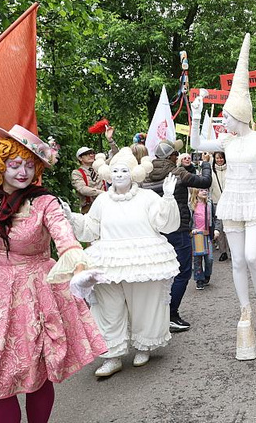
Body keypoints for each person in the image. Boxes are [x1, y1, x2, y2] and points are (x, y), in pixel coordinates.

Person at [0, 125, 107, 422]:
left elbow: (65, 238)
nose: (23, 172)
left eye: (29, 165)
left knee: (37, 371)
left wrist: (78, 267)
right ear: (0, 165)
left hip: (36, 293)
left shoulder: (44, 202)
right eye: (15, 164)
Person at [190, 34, 256, 361]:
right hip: (233, 203)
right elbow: (196, 144)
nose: (223, 120)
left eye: (226, 116)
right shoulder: (227, 143)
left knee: (251, 257)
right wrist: (195, 114)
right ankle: (245, 311)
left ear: (240, 115)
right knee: (236, 261)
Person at [52, 147, 180, 377]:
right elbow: (91, 228)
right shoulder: (102, 200)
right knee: (106, 307)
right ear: (109, 174)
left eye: (124, 170)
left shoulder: (148, 197)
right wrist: (71, 217)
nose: (120, 174)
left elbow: (166, 224)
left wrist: (168, 198)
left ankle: (144, 346)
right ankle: (113, 355)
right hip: (108, 260)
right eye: (116, 170)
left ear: (134, 174)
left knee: (144, 303)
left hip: (143, 260)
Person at [142, 138, 211, 333]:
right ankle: (171, 315)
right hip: (178, 229)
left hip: (155, 231)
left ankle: (156, 315)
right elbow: (205, 182)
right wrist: (205, 163)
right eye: (175, 154)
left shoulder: (145, 176)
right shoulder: (176, 172)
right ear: (171, 156)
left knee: (159, 275)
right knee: (182, 272)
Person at [71, 125, 118, 213]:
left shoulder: (101, 166)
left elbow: (116, 155)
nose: (91, 155)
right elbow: (82, 189)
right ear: (80, 158)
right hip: (89, 210)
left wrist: (110, 139)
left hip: (106, 207)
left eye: (92, 153)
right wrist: (101, 193)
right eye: (87, 154)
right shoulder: (77, 173)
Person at [189, 187, 219, 290]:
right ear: (195, 192)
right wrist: (191, 230)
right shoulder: (191, 206)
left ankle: (207, 275)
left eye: (206, 189)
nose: (204, 191)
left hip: (207, 235)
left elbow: (216, 217)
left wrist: (217, 229)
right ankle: (199, 279)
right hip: (196, 235)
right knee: (197, 259)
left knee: (209, 258)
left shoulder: (209, 205)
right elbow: (188, 220)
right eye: (201, 190)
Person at [210, 150, 230, 261]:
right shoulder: (212, 172)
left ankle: (233, 250)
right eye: (217, 158)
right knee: (220, 229)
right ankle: (223, 251)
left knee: (231, 227)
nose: (219, 160)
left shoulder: (230, 170)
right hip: (217, 202)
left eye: (221, 157)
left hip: (229, 202)